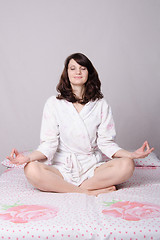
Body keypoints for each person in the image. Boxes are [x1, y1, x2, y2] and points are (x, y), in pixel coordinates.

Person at [7, 53, 154, 196]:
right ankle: (85, 191)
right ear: (67, 73)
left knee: (127, 165)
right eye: (73, 68)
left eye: (82, 68)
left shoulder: (100, 104)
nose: (78, 72)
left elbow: (106, 143)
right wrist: (28, 158)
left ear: (89, 72)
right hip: (62, 167)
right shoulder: (53, 104)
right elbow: (48, 144)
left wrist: (132, 154)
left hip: (92, 167)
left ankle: (68, 187)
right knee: (31, 169)